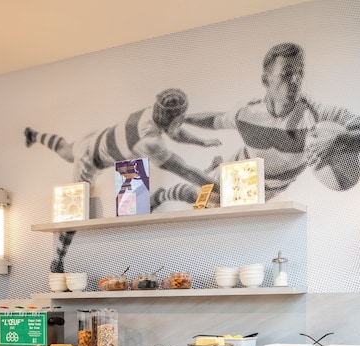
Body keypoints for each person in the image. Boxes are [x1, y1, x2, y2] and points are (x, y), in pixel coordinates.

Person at [153, 42, 360, 208]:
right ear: (266, 79)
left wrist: (343, 140)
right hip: (239, 175)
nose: (295, 80)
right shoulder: (248, 112)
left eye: (300, 73)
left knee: (206, 201)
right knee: (195, 196)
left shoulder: (319, 113)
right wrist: (182, 119)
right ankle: (161, 195)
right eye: (286, 74)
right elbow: (216, 120)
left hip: (272, 188)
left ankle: (205, 172)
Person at [26, 87, 221, 270]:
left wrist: (202, 142)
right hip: (91, 160)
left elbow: (174, 132)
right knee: (74, 213)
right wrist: (221, 188)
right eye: (180, 119)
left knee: (66, 150)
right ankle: (58, 260)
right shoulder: (150, 142)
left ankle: (33, 135)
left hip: (95, 138)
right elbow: (185, 170)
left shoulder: (151, 113)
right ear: (175, 119)